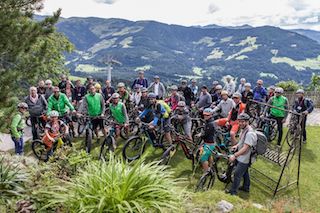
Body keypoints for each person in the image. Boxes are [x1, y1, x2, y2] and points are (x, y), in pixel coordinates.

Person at [228, 113, 257, 195]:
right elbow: (241, 142)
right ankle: (246, 187)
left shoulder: (250, 133)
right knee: (244, 172)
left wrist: (234, 155)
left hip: (245, 158)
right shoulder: (244, 129)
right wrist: (236, 146)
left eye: (243, 122)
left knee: (237, 174)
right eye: (239, 121)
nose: (241, 123)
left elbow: (245, 148)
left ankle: (233, 192)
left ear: (248, 122)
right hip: (242, 156)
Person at [199, 108, 217, 173]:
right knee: (209, 155)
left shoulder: (210, 124)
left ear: (211, 115)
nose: (205, 116)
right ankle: (211, 167)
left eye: (207, 115)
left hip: (209, 143)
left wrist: (200, 135)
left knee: (203, 158)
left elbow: (205, 134)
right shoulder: (210, 122)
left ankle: (206, 172)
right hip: (212, 142)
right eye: (204, 115)